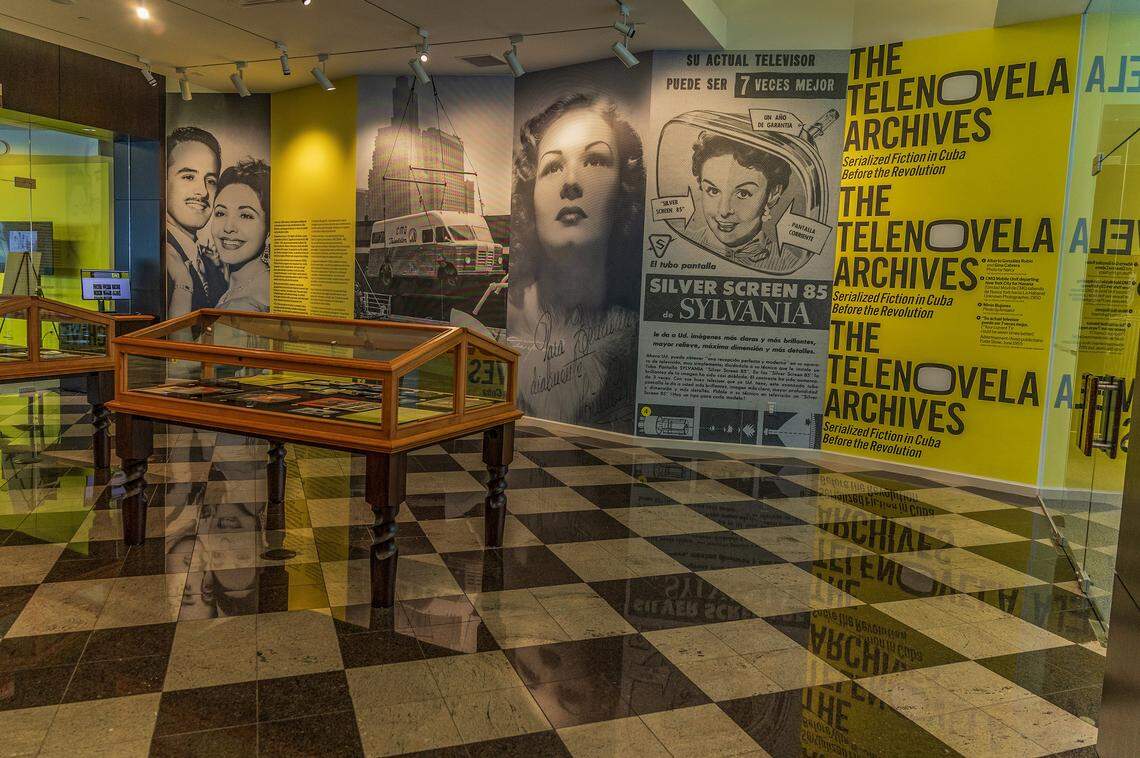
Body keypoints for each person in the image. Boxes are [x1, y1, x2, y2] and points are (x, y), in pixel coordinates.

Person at [507, 92, 644, 431]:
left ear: (623, 189)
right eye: (552, 166)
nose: (570, 182)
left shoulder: (639, 337)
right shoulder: (498, 324)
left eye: (595, 161)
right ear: (530, 196)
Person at [685, 132, 807, 274]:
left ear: (772, 194)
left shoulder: (791, 266)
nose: (724, 211)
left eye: (743, 194)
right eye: (713, 190)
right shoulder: (680, 246)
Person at [166, 127, 227, 316]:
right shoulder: (161, 258)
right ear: (163, 179)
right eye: (188, 177)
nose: (202, 191)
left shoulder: (210, 262)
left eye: (211, 180)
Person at [208, 159, 271, 312]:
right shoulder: (250, 283)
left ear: (269, 228)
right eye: (221, 213)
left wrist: (181, 282)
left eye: (245, 216)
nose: (228, 227)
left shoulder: (242, 306)